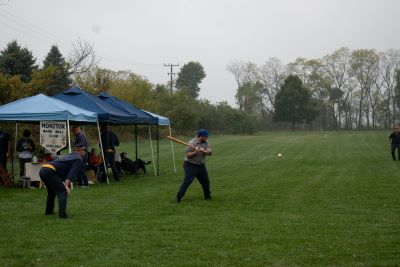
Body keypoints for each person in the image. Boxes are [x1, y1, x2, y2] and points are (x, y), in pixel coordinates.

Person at [39, 146, 86, 219]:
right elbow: (72, 173)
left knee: (51, 192)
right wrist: (66, 186)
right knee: (62, 192)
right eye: (84, 150)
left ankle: (49, 211)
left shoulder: (70, 155)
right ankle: (62, 215)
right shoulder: (78, 159)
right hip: (49, 170)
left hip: (43, 169)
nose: (85, 152)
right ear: (79, 150)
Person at [176, 129, 213, 203]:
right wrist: (195, 151)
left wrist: (204, 151)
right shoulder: (192, 143)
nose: (207, 138)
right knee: (187, 181)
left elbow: (210, 152)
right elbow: (188, 155)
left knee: (205, 182)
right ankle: (178, 197)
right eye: (205, 137)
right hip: (190, 165)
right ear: (200, 136)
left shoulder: (206, 142)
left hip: (201, 165)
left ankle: (207, 197)